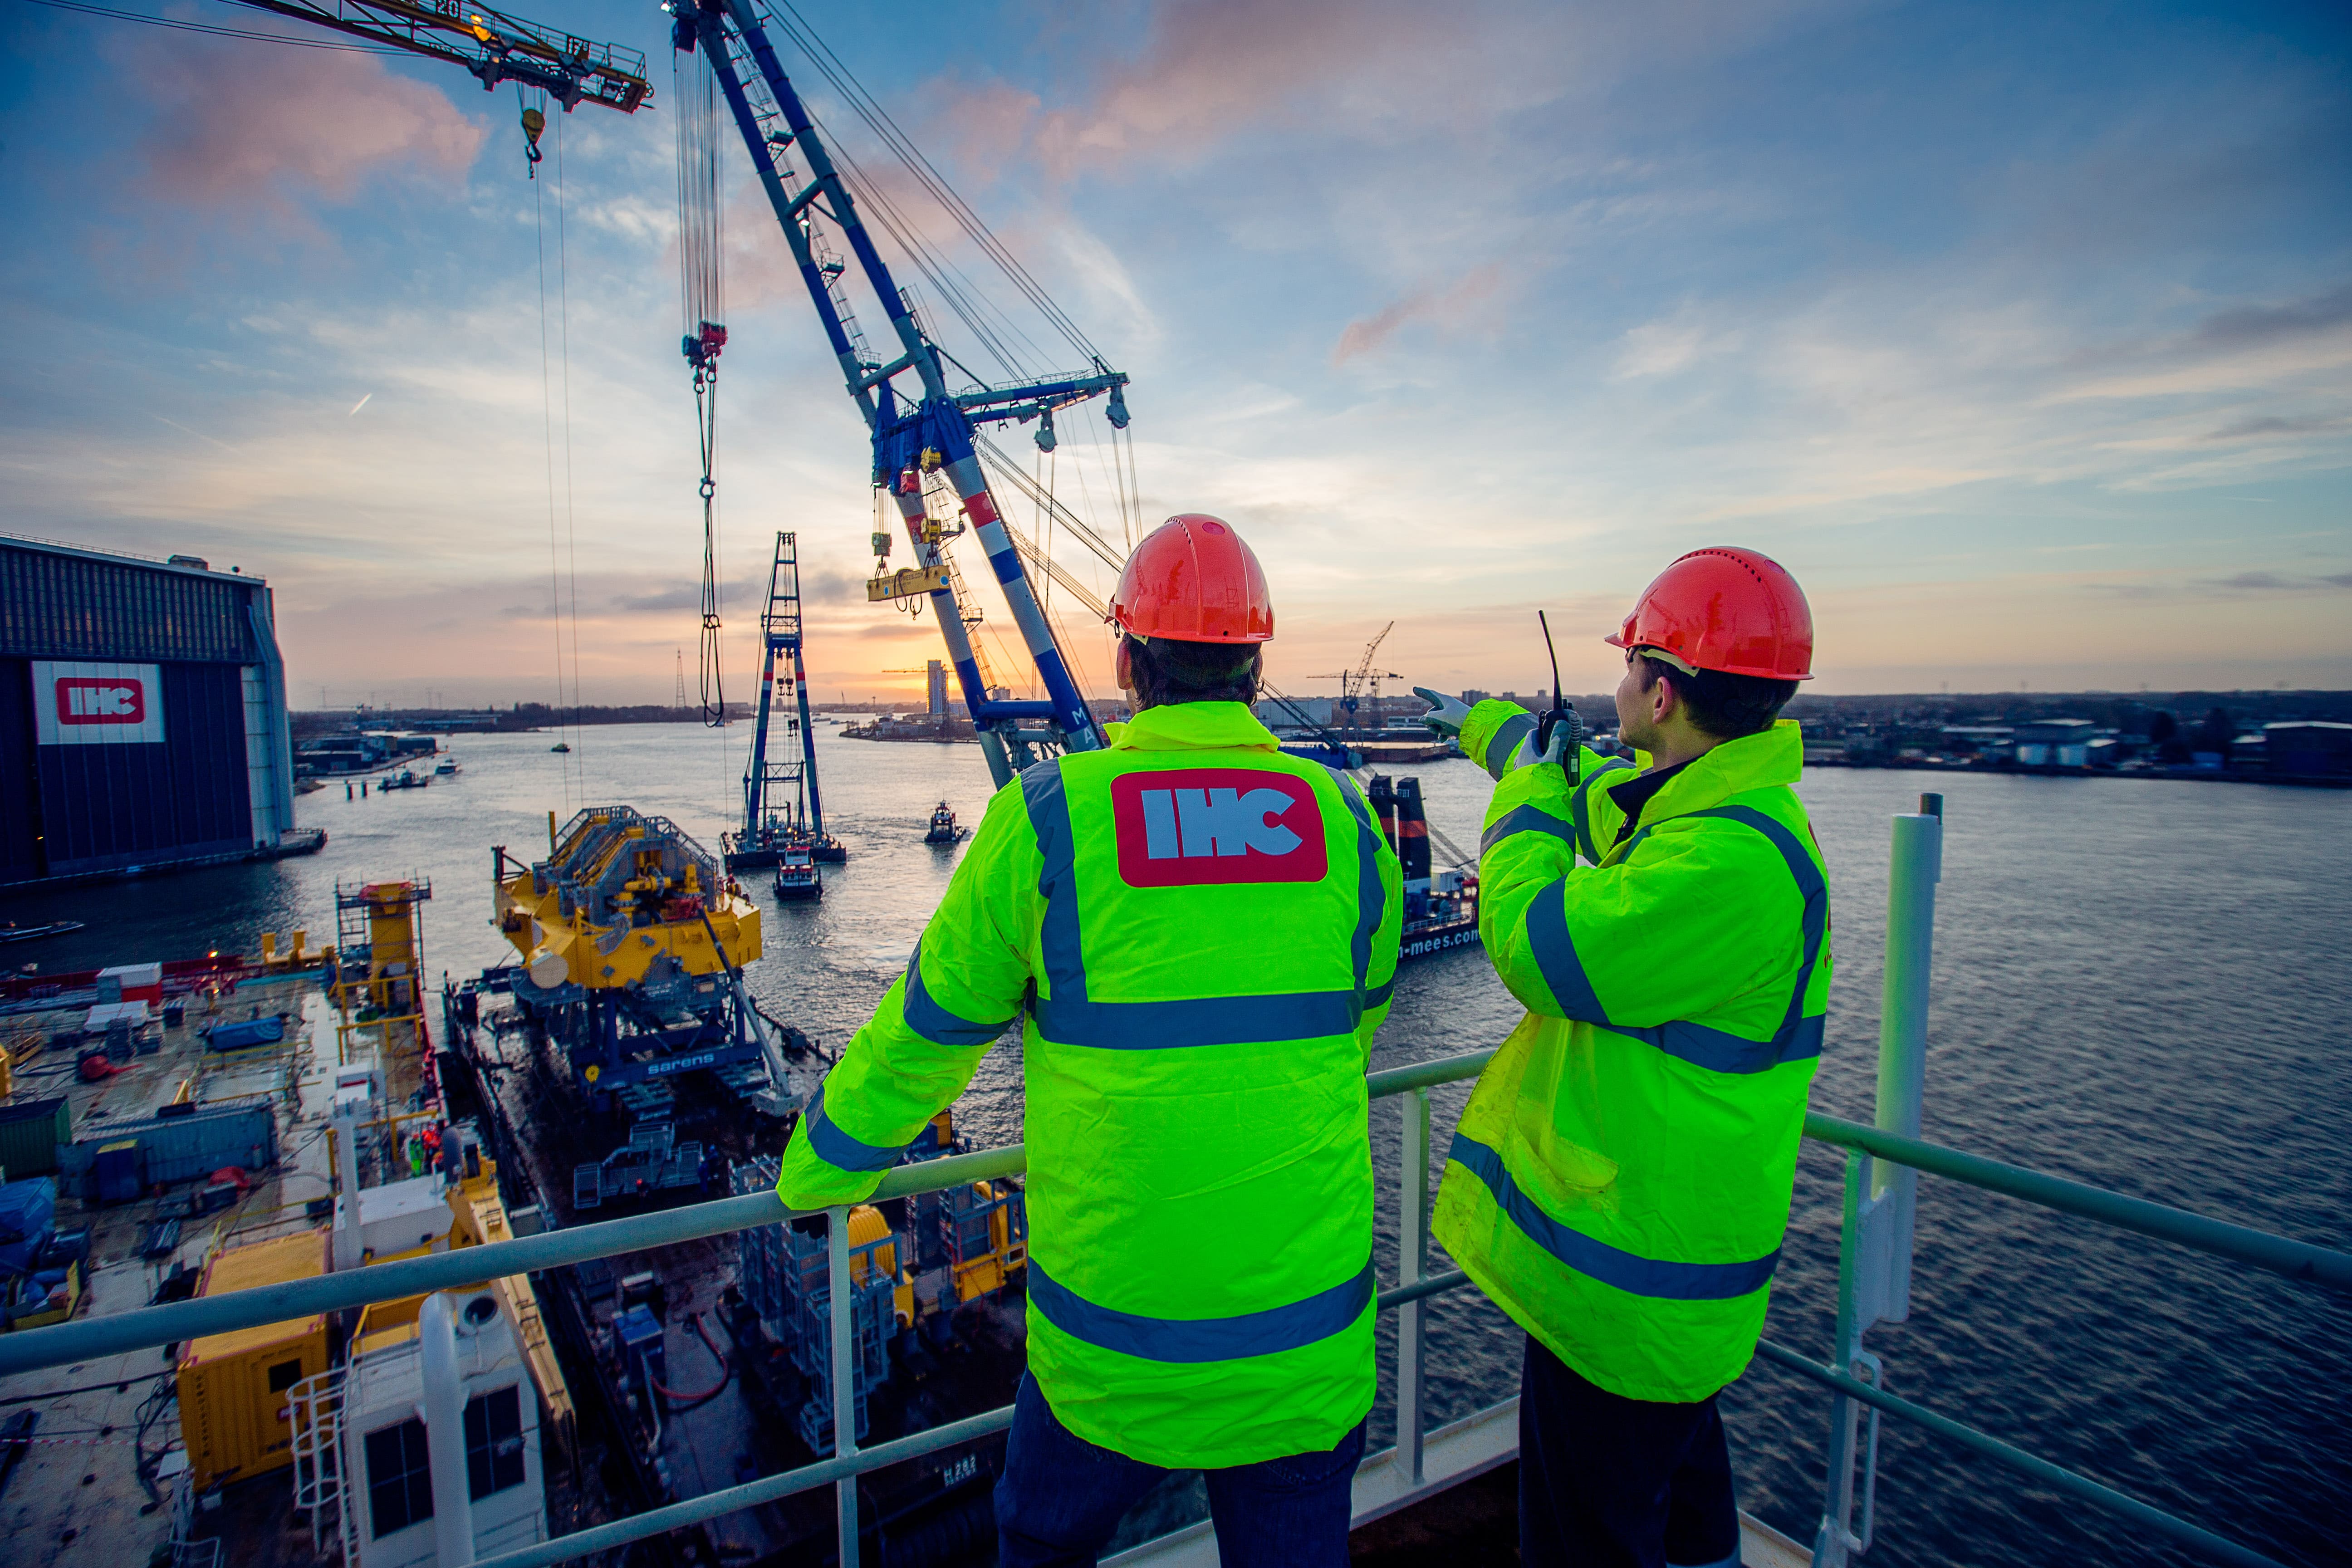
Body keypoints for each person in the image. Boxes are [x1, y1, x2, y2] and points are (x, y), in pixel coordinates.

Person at [774, 513, 1403, 1568]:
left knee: (1037, 1539)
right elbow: (1357, 1014)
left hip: (1113, 1353)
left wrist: (813, 1179)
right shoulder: (1345, 821)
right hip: (1304, 1350)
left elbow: (921, 1037)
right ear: (1257, 663)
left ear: (1124, 660)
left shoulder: (1050, 819)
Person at [1414, 546, 1827, 1568]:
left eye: (1630, 665)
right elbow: (1599, 788)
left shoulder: (1726, 866)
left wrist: (1519, 800)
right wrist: (1496, 734)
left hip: (1626, 1294)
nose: (1616, 685)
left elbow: (1537, 943)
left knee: (1586, 1540)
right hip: (1666, 1278)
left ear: (1664, 689)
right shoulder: (1709, 811)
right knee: (1682, 1520)